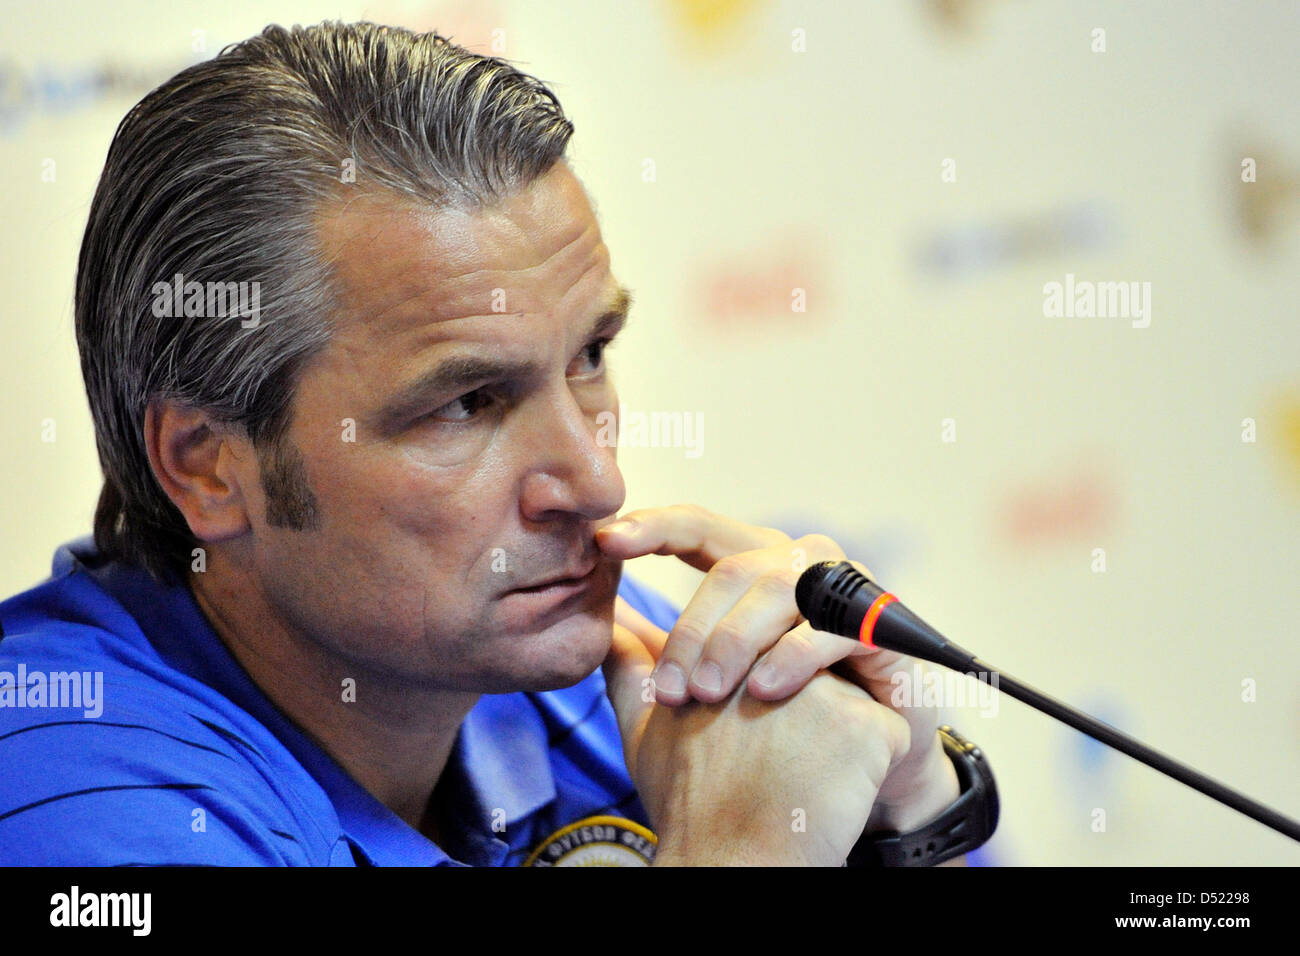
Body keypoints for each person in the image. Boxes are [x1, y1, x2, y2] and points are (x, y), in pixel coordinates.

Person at [0, 21, 963, 866]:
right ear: (208, 466)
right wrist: (743, 855)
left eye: (590, 354)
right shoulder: (69, 791)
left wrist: (907, 807)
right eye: (467, 403)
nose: (595, 480)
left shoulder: (576, 646)